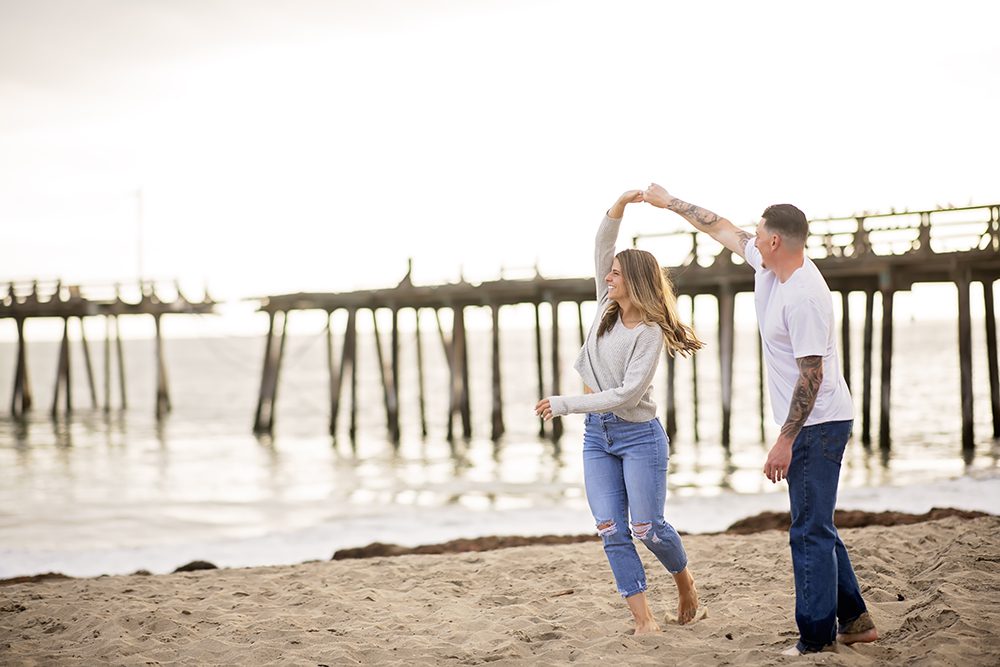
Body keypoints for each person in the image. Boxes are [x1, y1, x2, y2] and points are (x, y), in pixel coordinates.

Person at [642, 183, 879, 655]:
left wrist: (784, 440)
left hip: (820, 423)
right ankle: (855, 621)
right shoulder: (771, 267)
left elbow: (813, 375)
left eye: (761, 233)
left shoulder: (805, 297)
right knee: (817, 524)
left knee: (808, 531)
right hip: (813, 421)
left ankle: (815, 639)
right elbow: (722, 229)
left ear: (775, 241)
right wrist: (670, 202)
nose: (752, 238)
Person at [534, 189, 703, 635]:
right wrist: (621, 205)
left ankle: (684, 581)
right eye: (607, 273)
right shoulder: (604, 306)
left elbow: (627, 395)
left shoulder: (649, 332)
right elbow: (602, 247)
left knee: (647, 528)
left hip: (638, 436)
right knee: (610, 529)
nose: (607, 276)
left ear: (634, 281)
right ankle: (644, 620)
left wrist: (565, 403)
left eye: (615, 274)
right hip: (597, 437)